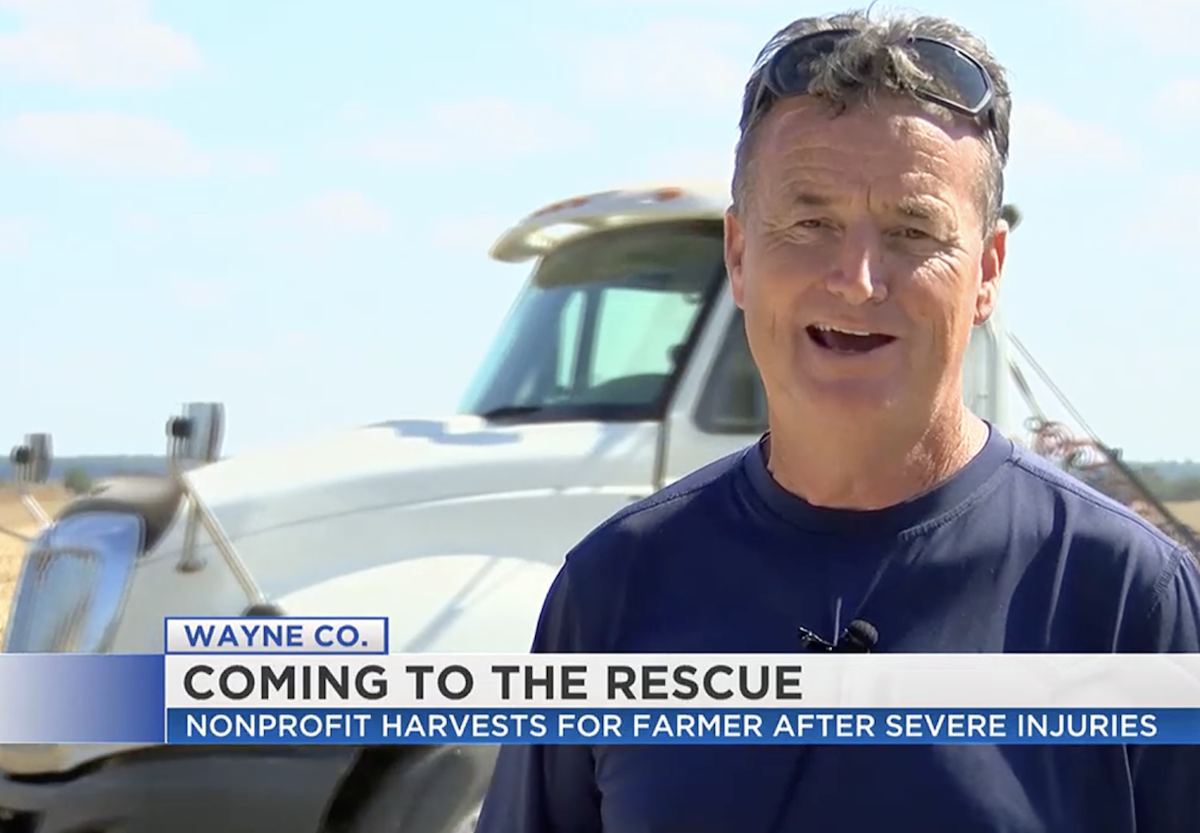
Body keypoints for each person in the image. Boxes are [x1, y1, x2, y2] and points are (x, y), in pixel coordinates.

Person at [473, 8, 1200, 832]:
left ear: (988, 272)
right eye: (811, 222)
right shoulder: (611, 592)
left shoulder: (1123, 601)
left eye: (912, 229)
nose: (857, 280)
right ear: (740, 255)